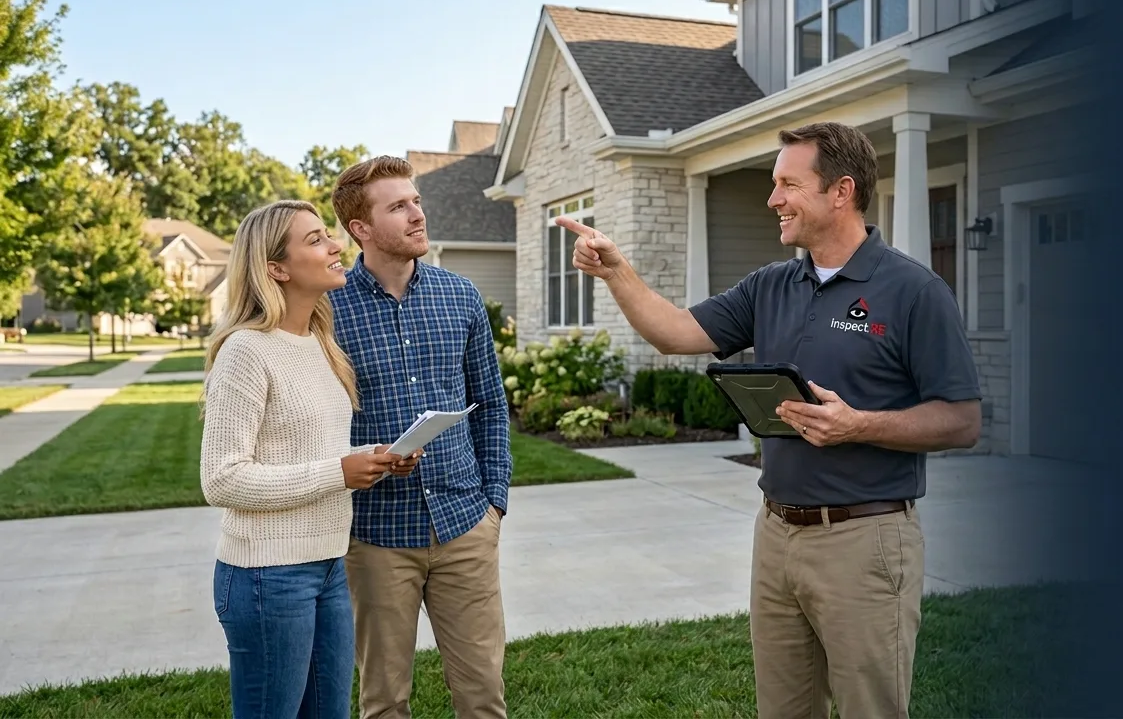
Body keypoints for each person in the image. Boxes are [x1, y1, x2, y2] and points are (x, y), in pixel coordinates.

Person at [556, 121, 982, 719]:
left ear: (841, 191)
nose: (773, 199)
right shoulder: (771, 285)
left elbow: (962, 420)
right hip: (777, 533)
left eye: (789, 185)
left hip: (866, 539)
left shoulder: (914, 290)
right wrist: (616, 271)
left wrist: (858, 425)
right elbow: (675, 333)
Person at [200, 200, 420, 719]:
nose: (335, 246)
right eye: (316, 240)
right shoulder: (246, 351)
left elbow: (311, 451)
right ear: (276, 268)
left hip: (328, 566)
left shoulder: (320, 344)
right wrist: (338, 472)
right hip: (267, 576)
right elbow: (221, 479)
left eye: (328, 235)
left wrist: (371, 459)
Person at [327, 155, 513, 719]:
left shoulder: (460, 296)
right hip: (376, 534)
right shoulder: (325, 310)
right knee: (384, 700)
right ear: (361, 228)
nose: (417, 214)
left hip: (464, 524)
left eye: (417, 201)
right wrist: (363, 458)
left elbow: (491, 404)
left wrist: (494, 502)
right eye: (398, 206)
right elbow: (310, 422)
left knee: (483, 694)